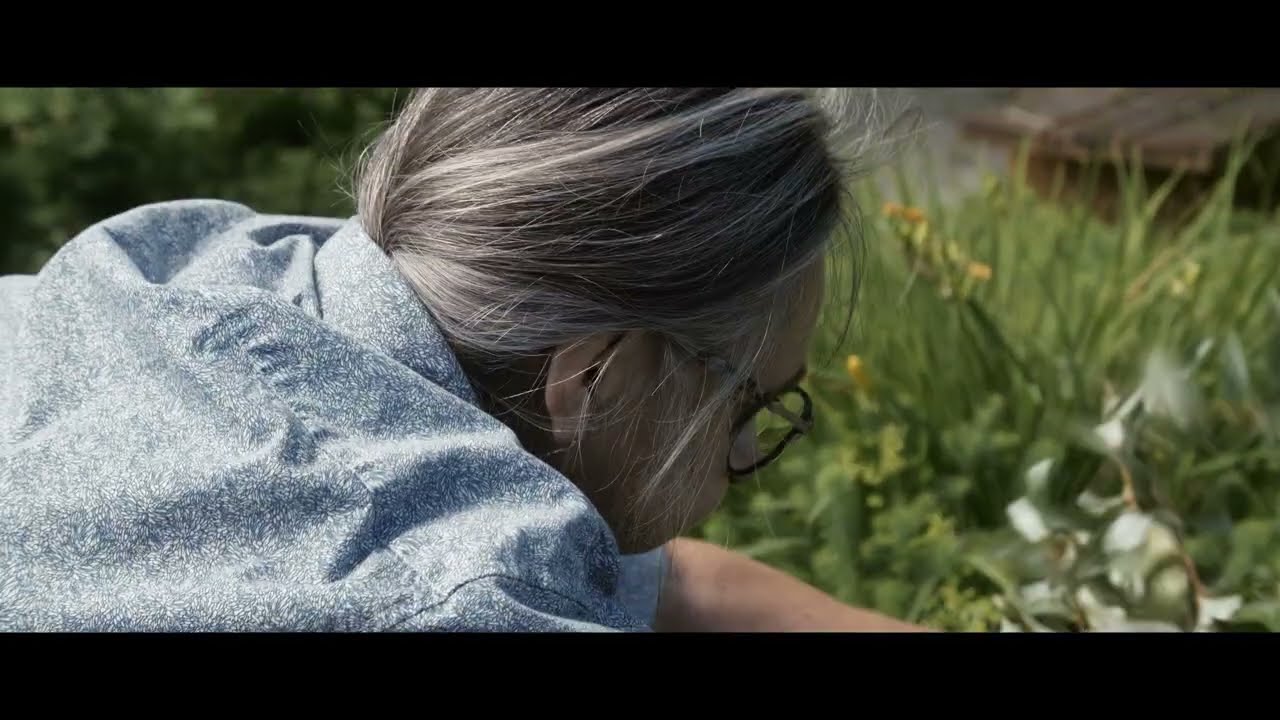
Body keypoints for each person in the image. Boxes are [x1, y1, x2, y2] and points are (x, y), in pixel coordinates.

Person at [0, 88, 924, 632]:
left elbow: (670, 581)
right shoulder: (467, 598)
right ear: (597, 380)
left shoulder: (219, 269)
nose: (747, 454)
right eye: (751, 408)